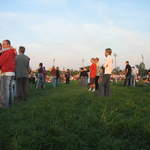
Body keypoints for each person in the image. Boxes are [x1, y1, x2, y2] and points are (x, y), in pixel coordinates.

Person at [0, 40, 16, 108]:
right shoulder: (13, 52)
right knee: (10, 89)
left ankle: (5, 105)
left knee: (5, 90)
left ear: (9, 45)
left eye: (4, 44)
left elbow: (0, 61)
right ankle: (11, 103)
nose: (3, 46)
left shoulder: (7, 52)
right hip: (11, 72)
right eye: (3, 44)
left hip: (6, 72)